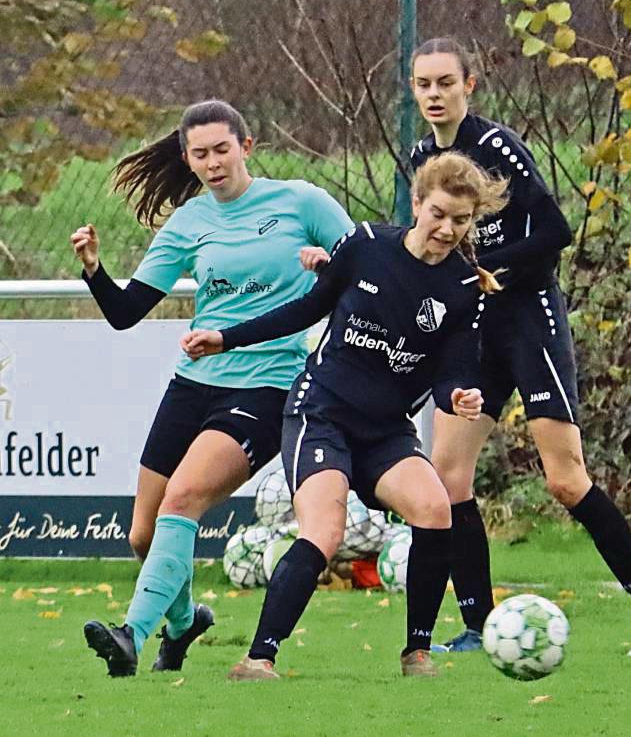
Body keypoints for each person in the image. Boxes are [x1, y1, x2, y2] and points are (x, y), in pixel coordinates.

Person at [181, 151, 509, 679]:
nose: (448, 229)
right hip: (321, 413)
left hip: (385, 431)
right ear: (418, 203)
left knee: (434, 507)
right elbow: (306, 309)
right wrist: (226, 339)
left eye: (462, 220)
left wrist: (458, 398)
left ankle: (416, 653)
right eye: (440, 214)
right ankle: (259, 658)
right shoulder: (367, 246)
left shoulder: (464, 288)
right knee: (326, 529)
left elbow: (451, 372)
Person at [409, 37, 631, 657]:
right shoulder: (419, 155)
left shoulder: (496, 146)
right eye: (423, 84)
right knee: (448, 478)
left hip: (527, 322)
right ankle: (478, 628)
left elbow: (556, 231)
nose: (433, 94)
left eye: (444, 83)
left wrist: (483, 268)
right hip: (472, 332)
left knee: (564, 481)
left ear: (469, 85)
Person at [71, 99, 354, 676]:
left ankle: (132, 635)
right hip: (193, 384)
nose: (212, 162)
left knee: (183, 500)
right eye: (200, 154)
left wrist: (328, 265)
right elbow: (126, 313)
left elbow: (367, 266)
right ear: (188, 159)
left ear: (246, 147)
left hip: (266, 386)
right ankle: (183, 625)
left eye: (222, 149)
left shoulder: (300, 202)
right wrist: (95, 270)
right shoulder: (190, 222)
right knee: (144, 534)